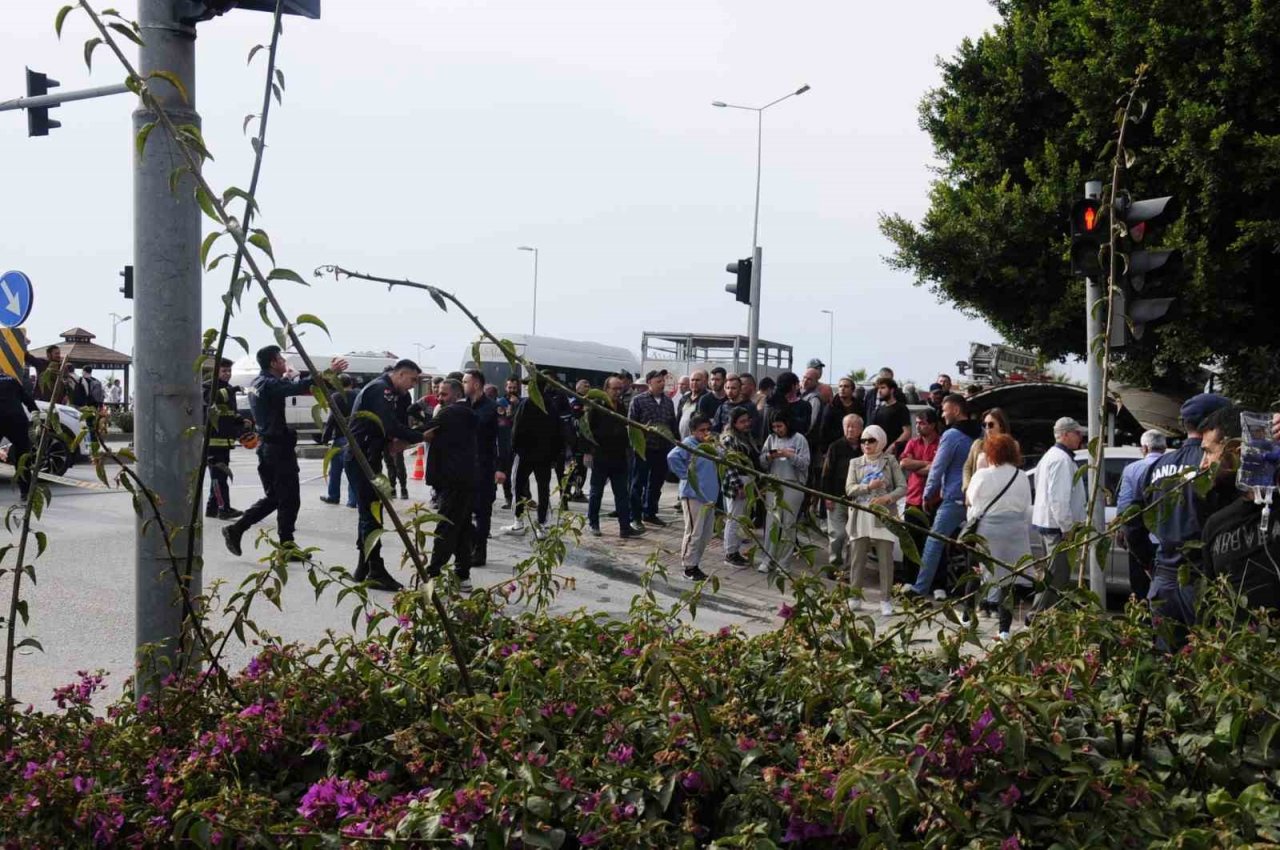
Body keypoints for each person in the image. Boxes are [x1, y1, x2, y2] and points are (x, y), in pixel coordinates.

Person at [223, 347, 349, 562]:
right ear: (273, 363)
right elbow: (300, 386)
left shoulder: (258, 383)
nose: (284, 362)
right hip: (278, 450)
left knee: (276, 498)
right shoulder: (270, 384)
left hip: (268, 449)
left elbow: (290, 386)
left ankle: (244, 531)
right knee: (289, 499)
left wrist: (290, 378)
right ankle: (276, 542)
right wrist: (330, 372)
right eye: (281, 359)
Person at [1137, 393, 1231, 635]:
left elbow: (1134, 521)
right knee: (1206, 657)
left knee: (1166, 659)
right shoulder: (1219, 462)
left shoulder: (1157, 466)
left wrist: (1150, 562)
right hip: (1203, 577)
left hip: (1163, 575)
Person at [345, 360, 425, 591]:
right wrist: (419, 436)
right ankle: (376, 570)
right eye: (411, 380)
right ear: (400, 374)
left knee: (369, 512)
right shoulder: (381, 389)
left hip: (368, 455)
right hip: (362, 457)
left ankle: (363, 567)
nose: (412, 386)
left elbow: (391, 425)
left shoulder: (389, 391)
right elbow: (389, 425)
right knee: (372, 514)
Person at [1201, 408, 1280, 617]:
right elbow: (1211, 598)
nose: (1203, 464)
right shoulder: (1215, 523)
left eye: (1209, 452)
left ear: (1236, 450)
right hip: (1237, 644)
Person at [907, 394, 982, 600]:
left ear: (956, 411)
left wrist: (927, 493)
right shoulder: (981, 433)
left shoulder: (951, 435)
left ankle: (920, 589)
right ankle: (979, 594)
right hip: (976, 498)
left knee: (934, 541)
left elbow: (938, 467)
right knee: (976, 546)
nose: (942, 414)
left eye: (945, 409)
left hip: (955, 497)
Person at [963, 433, 1032, 639]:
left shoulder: (982, 475)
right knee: (1008, 581)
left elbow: (971, 501)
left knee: (976, 573)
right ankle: (1004, 630)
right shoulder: (1021, 476)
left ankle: (967, 618)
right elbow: (1026, 504)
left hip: (988, 531)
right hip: (1015, 531)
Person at [1026, 416, 1088, 618]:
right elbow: (1059, 499)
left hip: (1049, 525)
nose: (1081, 437)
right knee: (1056, 577)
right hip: (1058, 529)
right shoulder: (1061, 460)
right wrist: (1068, 528)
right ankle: (1037, 617)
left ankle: (1046, 617)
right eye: (1077, 433)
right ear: (1065, 434)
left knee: (1049, 575)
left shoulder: (1052, 456)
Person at [845, 424, 907, 615]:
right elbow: (849, 489)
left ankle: (886, 599)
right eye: (863, 440)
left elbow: (902, 487)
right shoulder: (855, 463)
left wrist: (887, 498)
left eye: (871, 440)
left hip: (883, 514)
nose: (866, 444)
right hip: (860, 513)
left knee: (885, 559)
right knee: (857, 557)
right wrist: (868, 487)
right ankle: (854, 596)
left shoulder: (890, 461)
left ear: (880, 441)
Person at [423, 378, 479, 589]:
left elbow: (423, 430)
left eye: (444, 394)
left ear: (456, 394)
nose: (439, 398)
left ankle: (433, 574)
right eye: (438, 394)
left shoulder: (451, 413)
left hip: (455, 481)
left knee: (445, 527)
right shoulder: (467, 413)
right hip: (464, 479)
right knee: (462, 528)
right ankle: (463, 575)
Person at [586, 375, 643, 539]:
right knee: (596, 492)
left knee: (622, 494)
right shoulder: (597, 406)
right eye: (615, 389)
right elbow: (587, 430)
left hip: (619, 457)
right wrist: (588, 452)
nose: (618, 392)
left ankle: (625, 527)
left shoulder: (622, 407)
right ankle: (593, 523)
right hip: (601, 456)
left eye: (620, 388)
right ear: (606, 389)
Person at [504, 378, 562, 538]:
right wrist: (554, 455)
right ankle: (542, 526)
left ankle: (518, 522)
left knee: (517, 486)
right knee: (544, 490)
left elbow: (516, 430)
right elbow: (558, 432)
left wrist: (515, 450)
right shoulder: (551, 405)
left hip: (525, 454)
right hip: (545, 456)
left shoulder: (526, 404)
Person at [666, 414, 720, 581]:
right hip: (693, 495)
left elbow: (722, 457)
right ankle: (689, 566)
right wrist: (686, 476)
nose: (705, 433)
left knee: (705, 533)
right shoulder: (689, 444)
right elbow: (672, 457)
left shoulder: (709, 445)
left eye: (707, 429)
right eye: (701, 430)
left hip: (709, 495)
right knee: (694, 532)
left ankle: (695, 563)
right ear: (693, 431)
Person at [1115, 429, 1167, 600]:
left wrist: (1122, 530)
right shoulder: (1173, 467)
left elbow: (1125, 504)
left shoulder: (1132, 469)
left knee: (1141, 587)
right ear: (1164, 448)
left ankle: (1144, 622)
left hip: (1140, 539)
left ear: (1144, 448)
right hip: (1169, 539)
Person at [759, 411, 810, 573]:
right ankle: (768, 559)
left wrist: (789, 455)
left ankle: (784, 562)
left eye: (779, 426)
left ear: (787, 424)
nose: (777, 430)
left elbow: (805, 463)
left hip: (793, 485)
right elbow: (762, 460)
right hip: (774, 484)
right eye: (774, 426)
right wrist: (770, 457)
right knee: (772, 522)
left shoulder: (799, 439)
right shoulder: (771, 439)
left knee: (788, 524)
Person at [627, 369, 677, 531]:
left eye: (663, 381)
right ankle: (635, 516)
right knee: (637, 484)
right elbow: (631, 425)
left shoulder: (668, 402)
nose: (662, 384)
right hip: (643, 449)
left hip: (662, 449)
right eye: (658, 381)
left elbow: (672, 425)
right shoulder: (638, 401)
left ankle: (650, 512)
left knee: (656, 483)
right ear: (649, 383)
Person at [203, 358, 249, 520]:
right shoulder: (207, 387)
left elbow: (228, 413)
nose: (228, 374)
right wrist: (229, 391)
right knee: (219, 478)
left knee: (219, 477)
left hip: (225, 442)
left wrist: (240, 421)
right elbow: (211, 400)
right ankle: (224, 508)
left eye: (229, 371)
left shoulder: (229, 389)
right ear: (216, 372)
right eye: (224, 371)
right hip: (212, 443)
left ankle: (212, 508)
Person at [898, 408, 942, 577]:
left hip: (934, 499)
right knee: (911, 542)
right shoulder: (913, 443)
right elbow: (904, 463)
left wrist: (919, 466)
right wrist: (926, 464)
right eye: (916, 423)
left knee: (932, 543)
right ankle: (909, 579)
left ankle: (935, 582)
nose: (918, 427)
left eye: (922, 423)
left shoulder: (940, 443)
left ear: (932, 425)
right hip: (913, 498)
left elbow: (937, 467)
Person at [463, 369, 499, 565]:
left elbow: (502, 440)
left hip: (485, 467)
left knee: (482, 512)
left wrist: (501, 468)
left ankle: (480, 552)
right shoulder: (463, 406)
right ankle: (469, 546)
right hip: (465, 467)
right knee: (464, 510)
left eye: (465, 381)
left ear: (476, 384)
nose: (463, 385)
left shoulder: (492, 408)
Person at [821, 413, 863, 570]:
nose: (850, 429)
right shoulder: (835, 446)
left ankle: (849, 569)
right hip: (837, 498)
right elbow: (826, 473)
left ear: (861, 429)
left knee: (854, 537)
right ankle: (835, 565)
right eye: (847, 426)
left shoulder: (865, 447)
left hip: (858, 501)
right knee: (838, 535)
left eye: (854, 426)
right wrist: (827, 497)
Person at [720, 405, 761, 567]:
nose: (746, 424)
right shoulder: (730, 439)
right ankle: (730, 553)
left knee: (741, 518)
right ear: (734, 422)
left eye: (747, 420)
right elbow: (730, 465)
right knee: (734, 518)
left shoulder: (746, 436)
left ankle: (735, 550)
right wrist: (738, 486)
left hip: (747, 481)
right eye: (742, 421)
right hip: (738, 483)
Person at [319, 374, 358, 508]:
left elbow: (332, 419)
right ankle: (353, 501)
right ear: (351, 383)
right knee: (352, 471)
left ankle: (333, 496)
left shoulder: (336, 397)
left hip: (340, 438)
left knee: (335, 470)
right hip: (355, 437)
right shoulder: (358, 395)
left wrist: (325, 437)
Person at [0, 370, 37, 499]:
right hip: (17, 420)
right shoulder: (12, 380)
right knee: (23, 457)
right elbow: (27, 399)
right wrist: (36, 414)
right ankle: (26, 492)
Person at [963, 407, 1011, 491]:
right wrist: (967, 488)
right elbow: (967, 467)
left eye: (991, 425)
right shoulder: (978, 444)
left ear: (1001, 426)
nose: (987, 428)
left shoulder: (1010, 447)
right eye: (984, 425)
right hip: (976, 493)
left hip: (998, 493)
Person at [870, 376, 911, 457]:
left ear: (891, 390)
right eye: (878, 388)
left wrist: (893, 446)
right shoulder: (878, 410)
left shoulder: (901, 408)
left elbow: (907, 432)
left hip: (895, 453)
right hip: (878, 452)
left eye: (883, 388)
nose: (880, 391)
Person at [820, 378, 861, 455]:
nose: (842, 389)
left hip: (855, 448)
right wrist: (824, 451)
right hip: (835, 448)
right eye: (840, 386)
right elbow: (824, 429)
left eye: (846, 386)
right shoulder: (831, 407)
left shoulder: (859, 407)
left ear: (852, 390)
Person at [496, 376, 520, 508]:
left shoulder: (522, 402)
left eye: (514, 388)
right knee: (505, 470)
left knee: (519, 473)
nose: (512, 390)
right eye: (509, 387)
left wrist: (517, 405)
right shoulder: (501, 402)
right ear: (506, 387)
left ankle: (523, 498)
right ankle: (508, 499)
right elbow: (502, 420)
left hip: (518, 442)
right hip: (504, 441)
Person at [676, 369, 720, 439]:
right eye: (692, 380)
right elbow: (678, 418)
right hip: (682, 440)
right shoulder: (684, 398)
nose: (694, 382)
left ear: (705, 382)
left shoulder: (708, 399)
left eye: (697, 380)